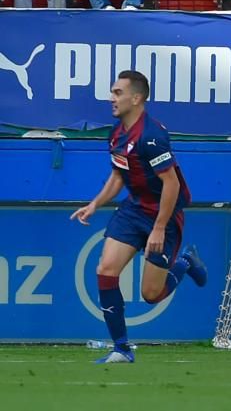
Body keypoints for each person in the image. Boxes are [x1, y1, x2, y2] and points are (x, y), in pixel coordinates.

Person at [70, 70, 208, 365]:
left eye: (117, 92)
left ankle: (185, 263)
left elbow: (171, 184)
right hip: (133, 210)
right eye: (112, 92)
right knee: (106, 269)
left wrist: (159, 228)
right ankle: (121, 348)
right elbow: (119, 176)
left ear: (137, 98)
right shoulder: (116, 133)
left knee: (151, 294)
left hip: (164, 216)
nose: (111, 98)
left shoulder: (152, 135)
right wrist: (94, 204)